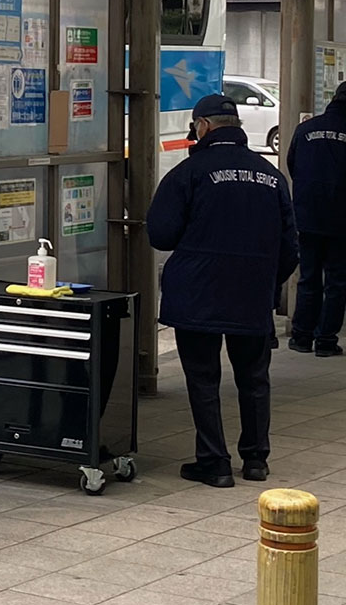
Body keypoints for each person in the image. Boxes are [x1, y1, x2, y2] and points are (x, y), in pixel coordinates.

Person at [148, 93, 299, 487]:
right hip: (251, 296)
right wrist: (266, 281)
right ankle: (255, 460)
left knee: (203, 378)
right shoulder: (271, 176)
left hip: (198, 295)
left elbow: (161, 234)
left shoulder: (188, 173)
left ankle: (213, 463)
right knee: (253, 377)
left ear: (202, 126)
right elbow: (290, 246)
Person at [286, 81, 346, 357]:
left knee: (308, 277)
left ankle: (301, 335)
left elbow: (292, 163)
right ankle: (325, 340)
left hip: (307, 216)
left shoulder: (306, 129)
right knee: (337, 280)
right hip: (340, 220)